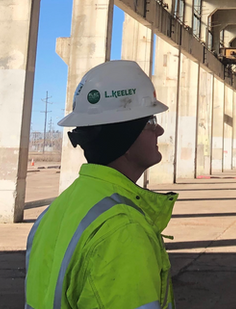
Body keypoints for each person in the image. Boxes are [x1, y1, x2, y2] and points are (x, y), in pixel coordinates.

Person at [25, 60, 177, 309]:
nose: (158, 130)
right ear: (124, 140)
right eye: (150, 121)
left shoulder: (58, 211)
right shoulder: (122, 228)